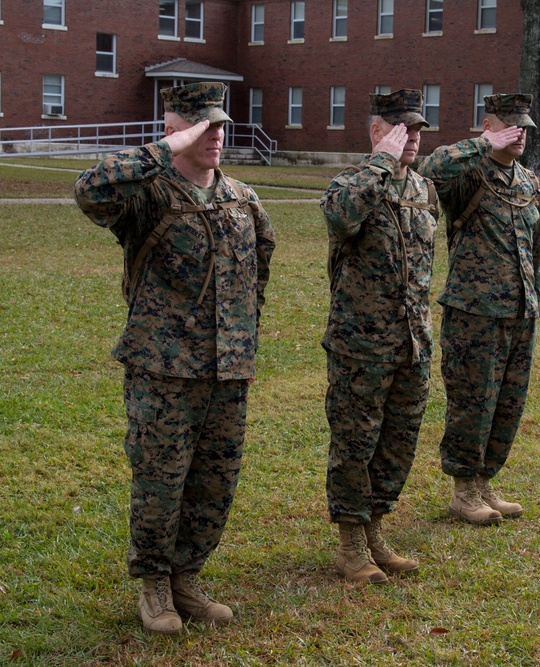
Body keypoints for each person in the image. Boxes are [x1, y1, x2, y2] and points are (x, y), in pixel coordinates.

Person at [74, 82, 275, 634]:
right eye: (202, 126)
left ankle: (187, 577)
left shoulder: (243, 198)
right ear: (175, 128)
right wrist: (170, 144)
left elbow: (260, 267)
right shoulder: (147, 196)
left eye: (220, 125)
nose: (216, 136)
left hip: (228, 369)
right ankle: (154, 585)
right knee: (161, 479)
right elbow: (91, 190)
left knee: (215, 481)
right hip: (163, 368)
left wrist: (240, 336)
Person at [320, 89, 438, 584]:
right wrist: (380, 165)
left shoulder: (424, 190)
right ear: (377, 131)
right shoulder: (349, 184)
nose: (411, 137)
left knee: (398, 441)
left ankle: (375, 529)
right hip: (361, 343)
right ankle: (350, 544)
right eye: (402, 128)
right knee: (355, 442)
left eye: (416, 130)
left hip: (413, 342)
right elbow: (342, 217)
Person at [417, 94, 540, 525]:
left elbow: (535, 248)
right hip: (475, 310)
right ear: (489, 126)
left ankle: (485, 480)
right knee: (474, 401)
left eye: (524, 127)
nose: (520, 133)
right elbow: (429, 169)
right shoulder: (468, 174)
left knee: (508, 402)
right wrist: (481, 144)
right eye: (510, 126)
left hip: (520, 310)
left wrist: (535, 299)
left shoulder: (528, 182)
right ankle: (463, 490)